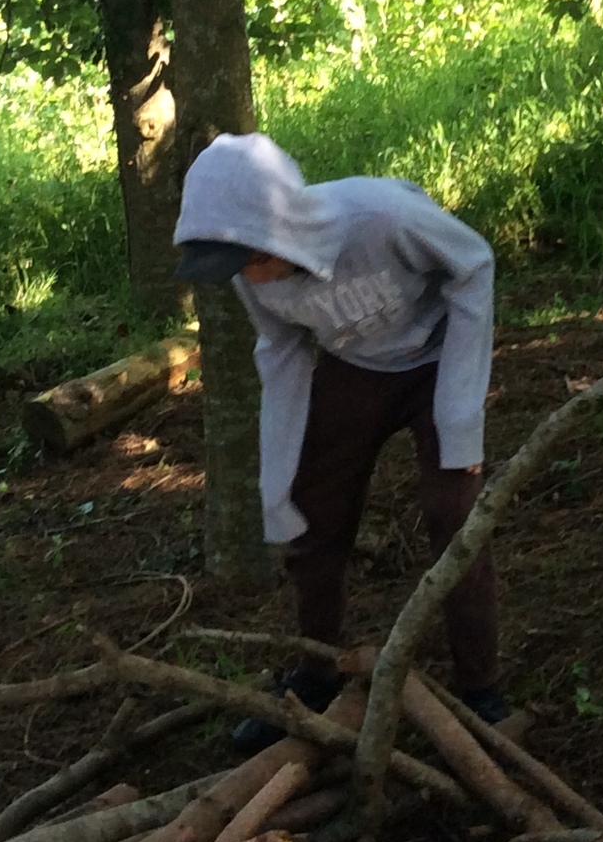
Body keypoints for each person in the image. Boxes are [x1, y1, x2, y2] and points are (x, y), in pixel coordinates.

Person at [173, 133, 502, 749]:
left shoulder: (380, 217)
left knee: (454, 514)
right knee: (311, 514)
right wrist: (280, 479)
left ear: (278, 228)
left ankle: (481, 689)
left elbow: (474, 264)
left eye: (250, 257)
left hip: (437, 357)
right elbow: (280, 351)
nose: (248, 275)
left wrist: (460, 419)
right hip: (357, 368)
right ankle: (317, 672)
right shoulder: (252, 275)